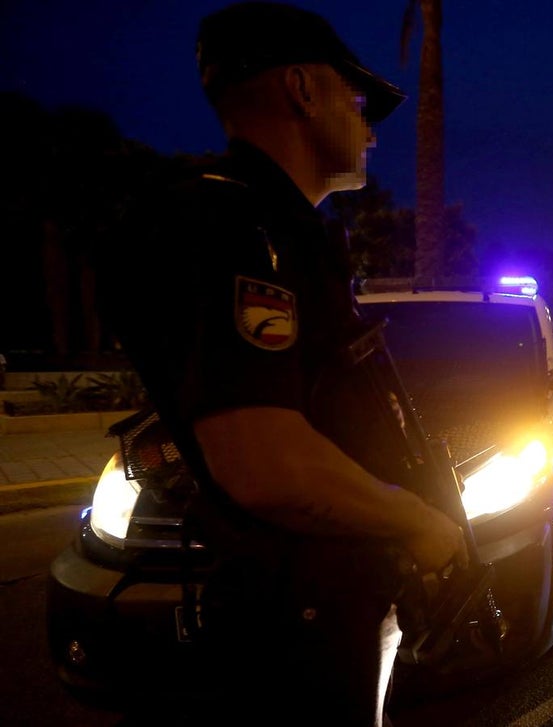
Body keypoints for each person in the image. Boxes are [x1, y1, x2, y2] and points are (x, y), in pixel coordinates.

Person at [94, 3, 467, 724]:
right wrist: (419, 521)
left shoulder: (275, 230)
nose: (371, 131)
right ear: (302, 89)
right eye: (358, 104)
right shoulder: (235, 225)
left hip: (318, 604)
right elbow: (265, 462)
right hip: (296, 617)